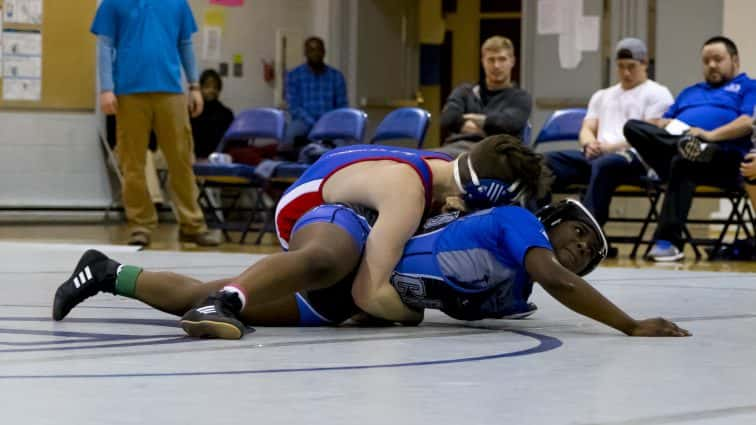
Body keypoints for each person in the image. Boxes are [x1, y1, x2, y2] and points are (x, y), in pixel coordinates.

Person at [53, 136, 549, 328]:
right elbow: (368, 289)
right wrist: (416, 309)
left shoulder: (442, 170)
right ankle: (226, 301)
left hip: (341, 228)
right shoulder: (410, 193)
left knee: (198, 296)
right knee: (335, 259)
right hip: (319, 209)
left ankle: (106, 273)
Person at [52, 199, 689, 339]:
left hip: (350, 300)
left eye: (595, 252)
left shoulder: (513, 295)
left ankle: (106, 272)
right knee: (321, 258)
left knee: (206, 296)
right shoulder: (521, 225)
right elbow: (560, 280)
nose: (582, 249)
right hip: (352, 244)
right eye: (579, 233)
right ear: (553, 222)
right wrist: (630, 324)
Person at [92, 0, 221, 247]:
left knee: (181, 159)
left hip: (171, 90)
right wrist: (106, 88)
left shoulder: (178, 3)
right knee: (133, 163)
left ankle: (192, 225)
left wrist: (194, 86)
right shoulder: (112, 3)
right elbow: (105, 45)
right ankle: (140, 225)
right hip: (128, 92)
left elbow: (185, 44)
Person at [623, 36, 756, 261]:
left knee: (683, 162)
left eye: (718, 59)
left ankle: (668, 242)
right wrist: (668, 127)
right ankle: (690, 147)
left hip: (723, 159)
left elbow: (746, 123)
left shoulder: (748, 86)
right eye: (706, 60)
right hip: (680, 148)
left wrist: (708, 135)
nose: (711, 65)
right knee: (633, 127)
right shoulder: (689, 92)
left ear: (735, 60)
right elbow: (661, 123)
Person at [545, 38, 674, 229]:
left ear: (645, 63)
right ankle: (541, 223)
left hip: (634, 160)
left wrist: (608, 148)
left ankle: (587, 230)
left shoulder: (658, 93)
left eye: (631, 66)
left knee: (605, 164)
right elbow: (587, 128)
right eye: (621, 66)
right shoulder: (602, 95)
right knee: (543, 163)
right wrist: (589, 144)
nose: (626, 72)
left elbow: (648, 137)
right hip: (597, 156)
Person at [438, 36, 532, 156]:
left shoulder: (521, 97)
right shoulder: (465, 91)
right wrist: (490, 127)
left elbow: (509, 124)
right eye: (491, 60)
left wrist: (470, 118)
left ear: (512, 61)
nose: (496, 65)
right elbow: (447, 118)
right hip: (456, 148)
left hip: (496, 153)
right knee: (418, 160)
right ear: (483, 61)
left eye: (502, 59)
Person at [281, 36, 348, 158]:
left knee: (343, 145)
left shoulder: (336, 76)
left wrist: (325, 123)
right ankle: (289, 173)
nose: (315, 53)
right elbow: (294, 106)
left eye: (318, 50)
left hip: (330, 123)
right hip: (303, 121)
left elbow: (342, 107)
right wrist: (314, 123)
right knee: (288, 139)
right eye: (311, 50)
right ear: (305, 53)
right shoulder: (293, 75)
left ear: (324, 52)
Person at [191, 69, 234, 159]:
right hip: (194, 158)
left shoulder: (226, 113)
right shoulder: (192, 112)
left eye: (215, 87)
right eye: (207, 86)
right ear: (201, 88)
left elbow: (232, 142)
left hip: (220, 158)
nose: (211, 90)